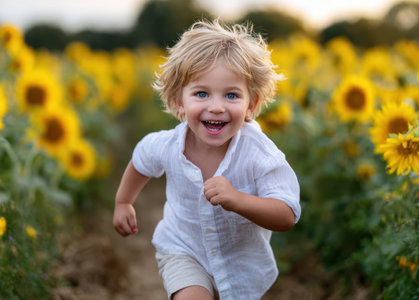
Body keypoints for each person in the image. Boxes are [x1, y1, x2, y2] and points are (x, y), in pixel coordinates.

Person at [113, 19, 301, 300]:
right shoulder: (167, 145)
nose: (216, 107)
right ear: (179, 102)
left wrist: (237, 199)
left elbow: (286, 213)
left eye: (232, 95)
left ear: (251, 105)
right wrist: (123, 201)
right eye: (201, 93)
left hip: (241, 263)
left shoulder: (260, 154)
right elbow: (141, 160)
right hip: (182, 248)